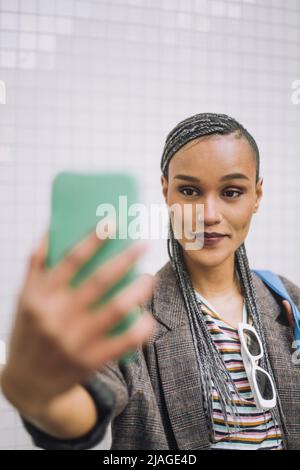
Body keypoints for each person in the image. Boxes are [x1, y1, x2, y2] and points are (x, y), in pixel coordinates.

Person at [1, 112, 300, 450]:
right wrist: (39, 394)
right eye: (189, 190)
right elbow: (81, 409)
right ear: (165, 191)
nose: (210, 214)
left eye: (232, 192)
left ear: (257, 195)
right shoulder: (131, 310)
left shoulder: (287, 301)